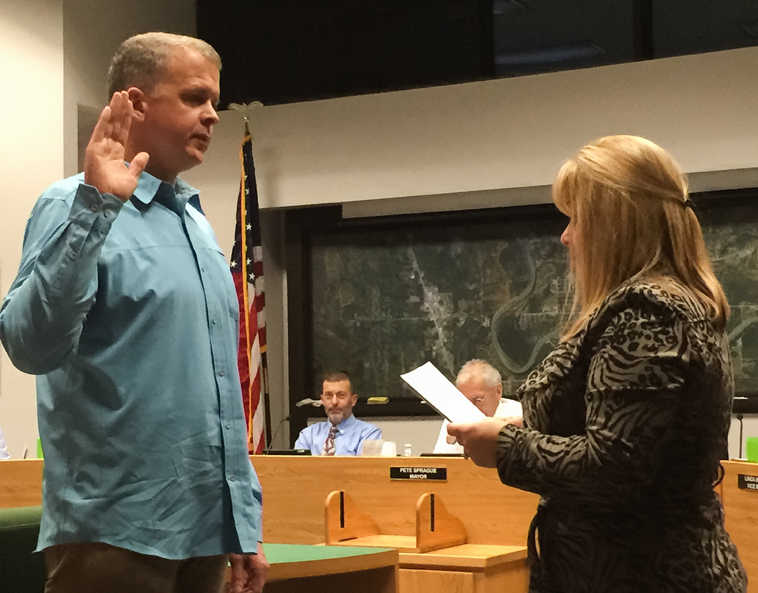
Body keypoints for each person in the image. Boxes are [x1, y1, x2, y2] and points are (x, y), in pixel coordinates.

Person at [0, 33, 267, 593]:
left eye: (214, 100)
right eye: (195, 98)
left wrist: (242, 525)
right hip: (112, 535)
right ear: (136, 103)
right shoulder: (71, 202)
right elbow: (30, 344)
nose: (212, 115)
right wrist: (96, 208)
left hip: (204, 535)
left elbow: (218, 393)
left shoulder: (194, 222)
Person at [448, 135, 747, 592]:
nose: (565, 236)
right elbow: (624, 430)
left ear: (616, 224)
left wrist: (505, 446)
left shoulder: (649, 309)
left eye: (576, 219)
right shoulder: (667, 302)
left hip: (643, 576)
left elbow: (614, 465)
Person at [432, 359, 522, 454]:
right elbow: (440, 463)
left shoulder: (519, 414)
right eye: (464, 401)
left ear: (498, 391)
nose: (471, 408)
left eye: (478, 400)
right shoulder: (455, 416)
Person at [294, 371, 382, 455]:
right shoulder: (308, 435)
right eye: (328, 396)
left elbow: (366, 469)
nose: (334, 402)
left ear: (353, 400)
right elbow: (295, 469)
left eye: (341, 395)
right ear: (323, 400)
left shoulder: (369, 434)